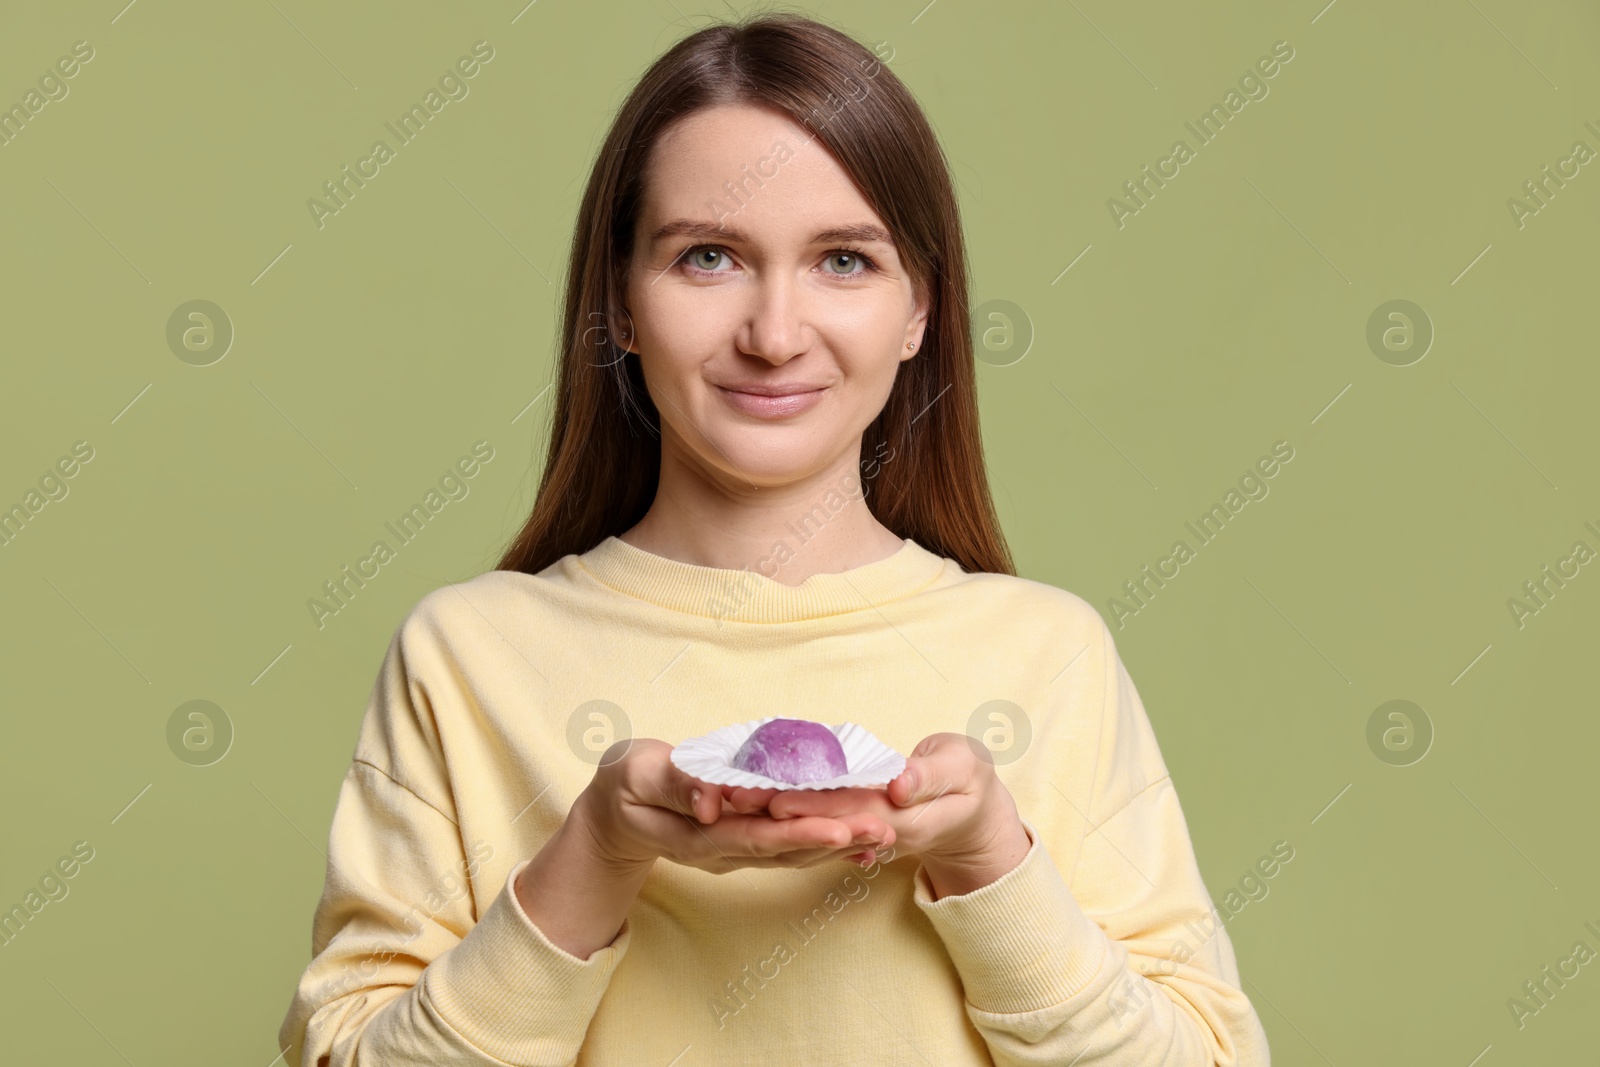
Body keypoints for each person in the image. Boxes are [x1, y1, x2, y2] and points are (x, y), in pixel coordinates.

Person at [277, 12, 1272, 1066]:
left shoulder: (1047, 654)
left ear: (917, 310)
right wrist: (598, 851)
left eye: (843, 260)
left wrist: (989, 857)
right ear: (619, 300)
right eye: (709, 256)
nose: (774, 332)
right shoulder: (467, 655)